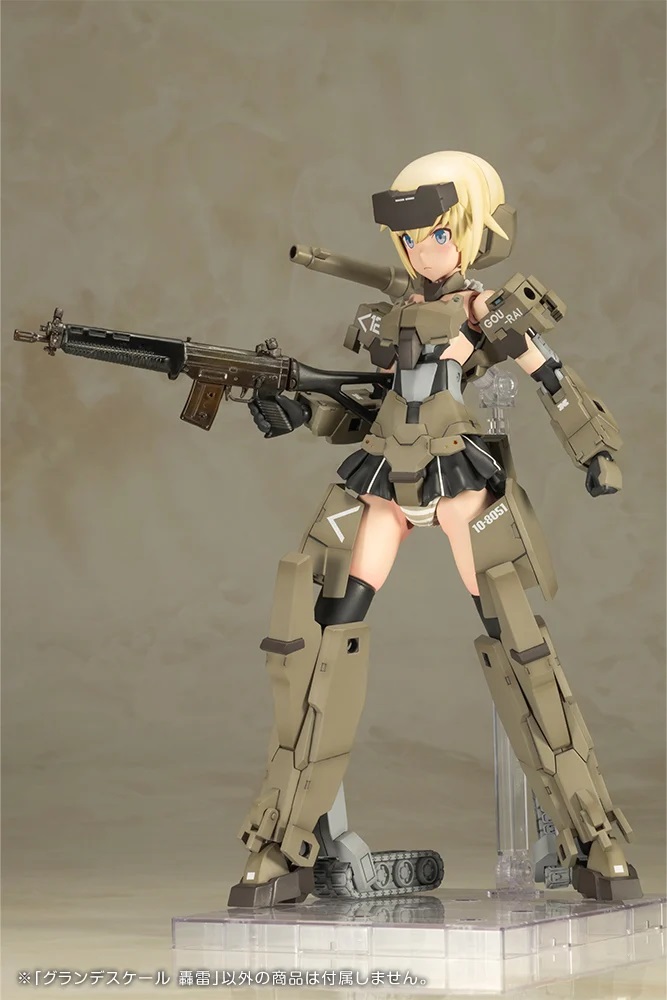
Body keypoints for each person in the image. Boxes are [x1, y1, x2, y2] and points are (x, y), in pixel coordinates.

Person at [227, 151, 641, 907]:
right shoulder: (383, 319)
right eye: (412, 238)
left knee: (518, 636)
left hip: (455, 472)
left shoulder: (487, 310)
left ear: (474, 233)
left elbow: (550, 376)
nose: (424, 251)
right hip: (383, 475)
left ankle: (592, 831)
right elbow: (364, 408)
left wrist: (596, 450)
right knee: (313, 636)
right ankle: (284, 838)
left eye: (440, 234)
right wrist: (296, 412)